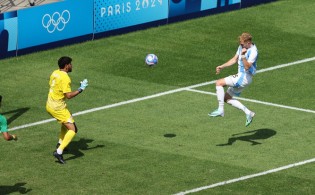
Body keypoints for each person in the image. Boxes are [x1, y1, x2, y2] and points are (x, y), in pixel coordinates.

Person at [209, 32, 258, 127]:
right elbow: (234, 59)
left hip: (244, 77)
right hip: (242, 77)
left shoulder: (253, 51)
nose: (240, 45)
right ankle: (249, 113)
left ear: (248, 42)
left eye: (242, 43)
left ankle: (220, 110)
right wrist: (222, 66)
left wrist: (243, 56)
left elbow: (247, 67)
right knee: (226, 98)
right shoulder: (242, 47)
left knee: (219, 83)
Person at [46, 56, 88, 164]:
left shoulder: (54, 73)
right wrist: (80, 89)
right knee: (73, 129)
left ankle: (61, 144)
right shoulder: (65, 78)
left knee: (66, 122)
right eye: (70, 64)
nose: (71, 65)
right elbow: (68, 95)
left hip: (50, 104)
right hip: (57, 107)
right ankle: (59, 152)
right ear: (66, 65)